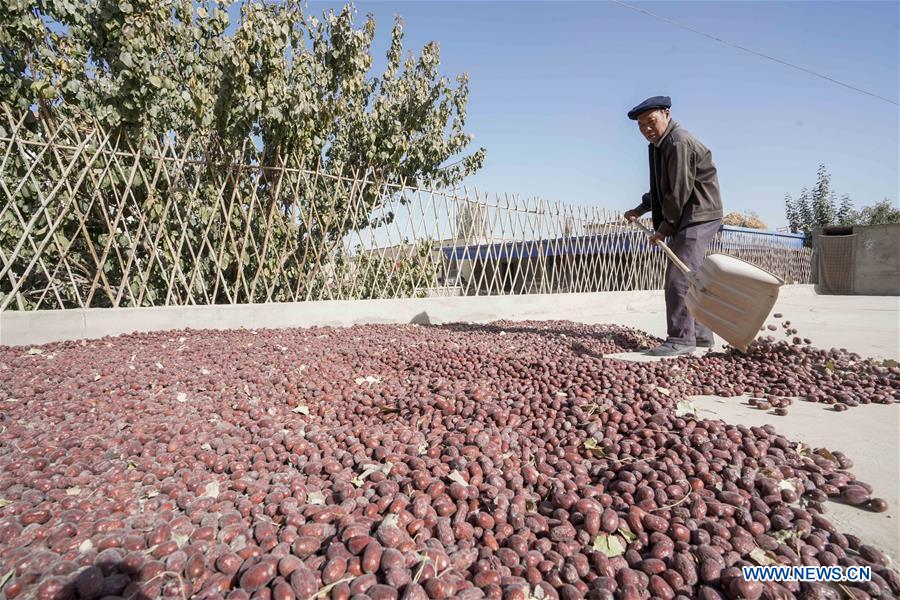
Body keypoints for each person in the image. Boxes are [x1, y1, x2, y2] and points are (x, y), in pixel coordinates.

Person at [622, 96, 724, 357]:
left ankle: (680, 339)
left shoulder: (678, 142)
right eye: (641, 125)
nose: (646, 129)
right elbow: (661, 188)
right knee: (693, 276)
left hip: (698, 214)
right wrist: (640, 209)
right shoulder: (659, 144)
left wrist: (664, 229)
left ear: (666, 114)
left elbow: (678, 192)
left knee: (678, 276)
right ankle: (700, 335)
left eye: (651, 122)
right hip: (689, 215)